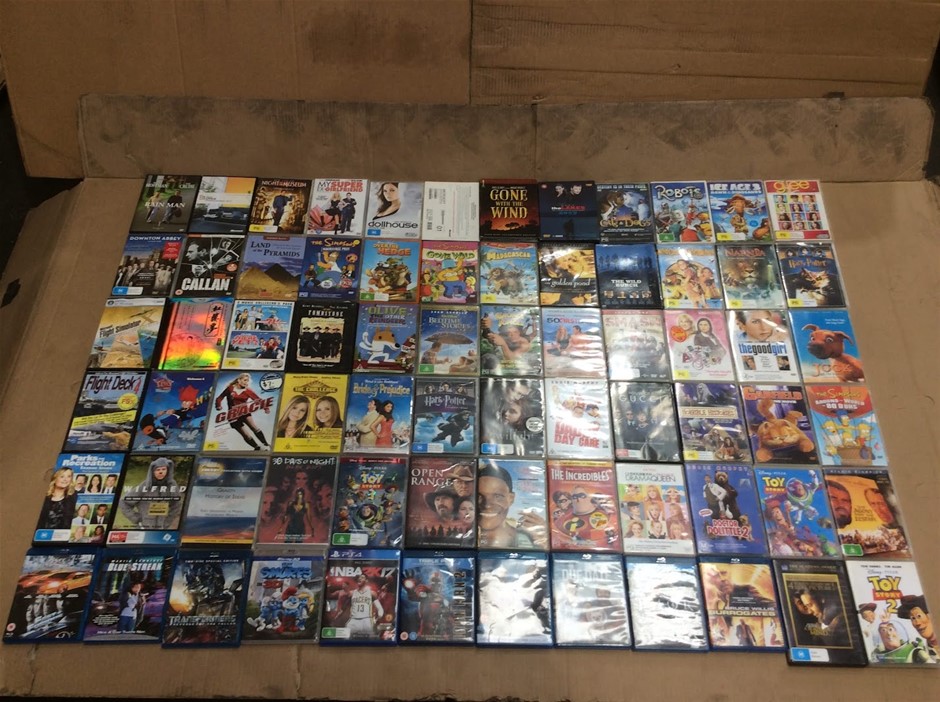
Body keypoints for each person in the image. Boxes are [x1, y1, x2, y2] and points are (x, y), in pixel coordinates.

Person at [476, 462, 547, 549]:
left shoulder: (530, 539)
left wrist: (546, 542)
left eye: (497, 496)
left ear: (511, 499)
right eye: (479, 496)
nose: (487, 505)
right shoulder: (465, 538)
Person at [118, 457, 184, 529]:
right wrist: (136, 518)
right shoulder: (145, 486)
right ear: (153, 471)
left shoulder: (172, 485)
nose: (161, 472)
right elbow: (124, 502)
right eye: (158, 470)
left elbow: (177, 504)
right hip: (144, 527)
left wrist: (167, 521)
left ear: (168, 470)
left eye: (163, 469)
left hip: (161, 528)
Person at [214, 372, 271, 450]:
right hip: (232, 415)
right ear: (239, 380)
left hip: (244, 412)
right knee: (245, 435)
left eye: (247, 381)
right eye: (245, 380)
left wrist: (266, 408)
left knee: (254, 427)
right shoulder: (230, 388)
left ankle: (266, 444)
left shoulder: (248, 391)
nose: (246, 382)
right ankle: (257, 448)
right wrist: (218, 406)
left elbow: (258, 400)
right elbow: (219, 398)